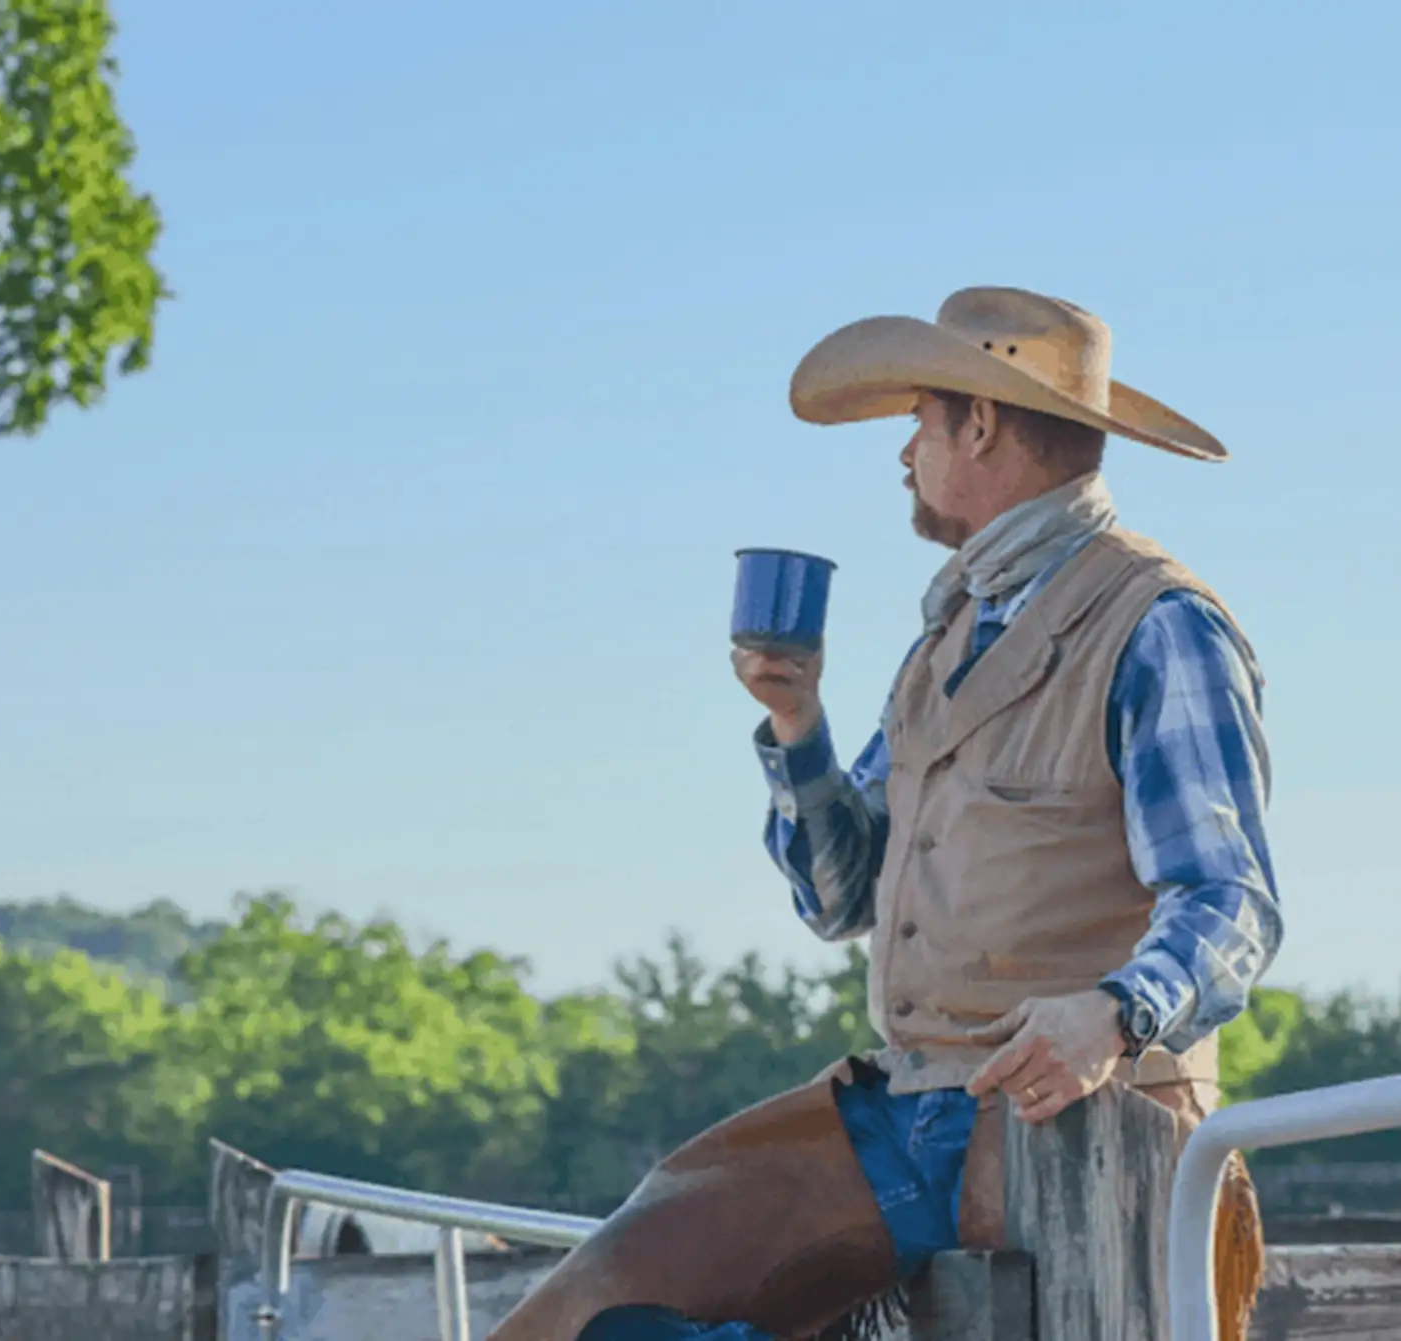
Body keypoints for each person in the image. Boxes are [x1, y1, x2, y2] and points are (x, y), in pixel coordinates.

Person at [488, 287, 1282, 1341]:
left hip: (1080, 1126)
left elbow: (1233, 901)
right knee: (584, 1314)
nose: (903, 454)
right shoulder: (944, 639)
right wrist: (796, 723)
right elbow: (840, 898)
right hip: (907, 1115)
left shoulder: (1160, 623)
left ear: (982, 425)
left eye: (919, 420)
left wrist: (1115, 1011)